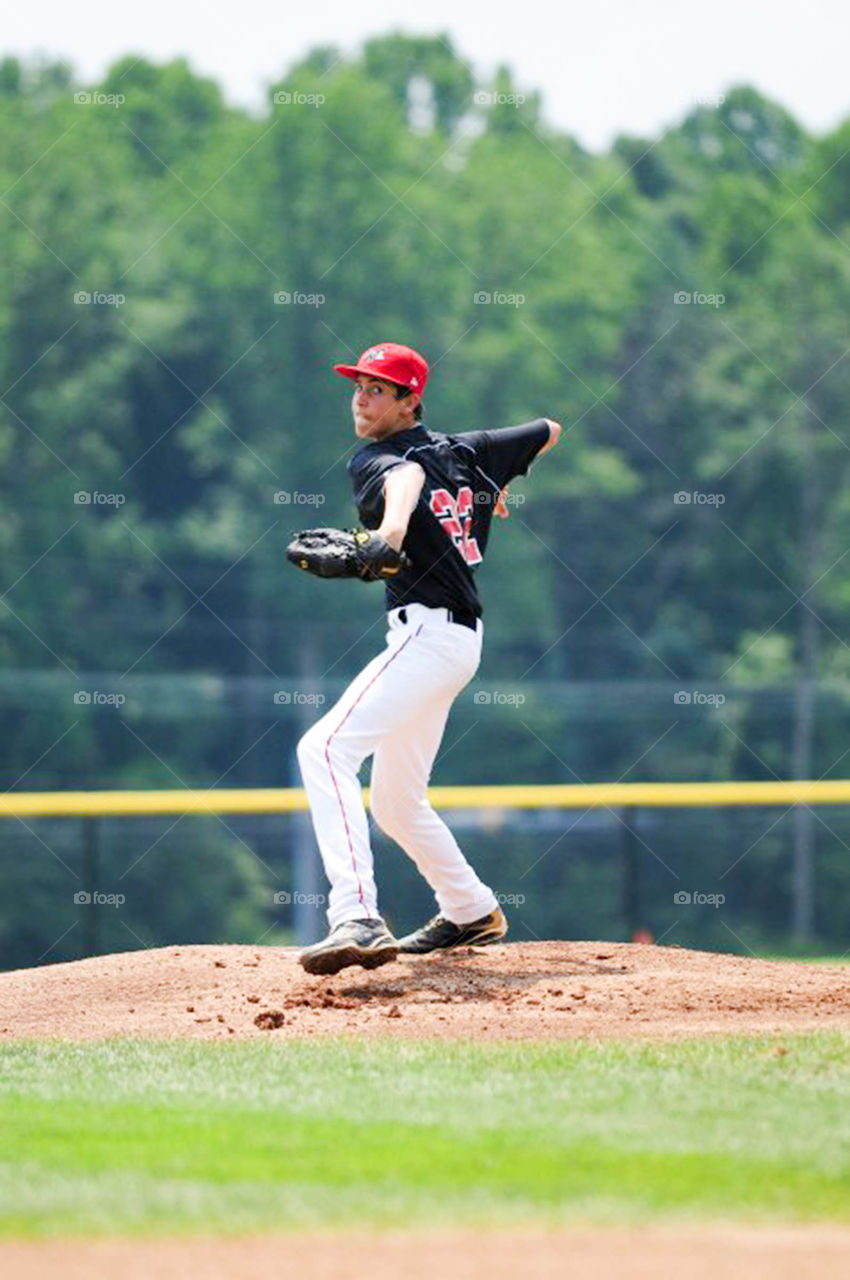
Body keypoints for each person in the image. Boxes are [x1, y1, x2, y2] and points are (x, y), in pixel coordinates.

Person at [296, 341, 562, 975]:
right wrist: (484, 490)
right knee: (395, 801)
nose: (362, 398)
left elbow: (407, 478)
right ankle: (470, 909)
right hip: (454, 641)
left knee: (324, 749)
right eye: (358, 385)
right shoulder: (468, 452)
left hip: (428, 635)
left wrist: (387, 536)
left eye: (378, 389)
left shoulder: (378, 458)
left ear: (411, 400)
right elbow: (550, 429)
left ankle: (355, 914)